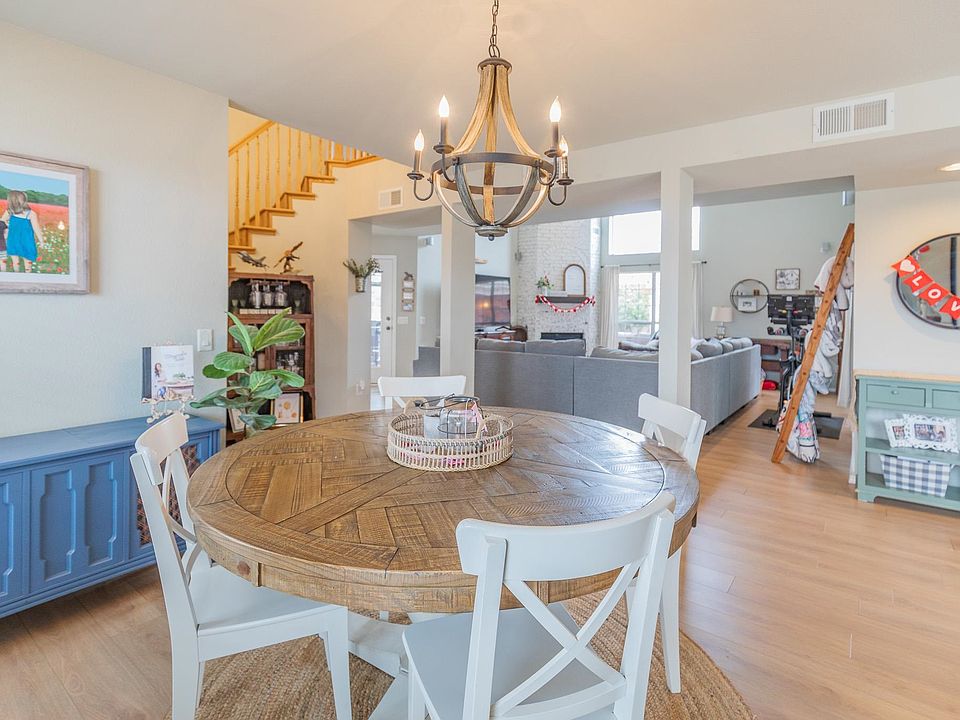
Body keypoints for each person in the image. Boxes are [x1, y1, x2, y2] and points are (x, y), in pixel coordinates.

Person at [0, 190, 43, 273]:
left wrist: (41, 240)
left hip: (26, 241)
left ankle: (27, 275)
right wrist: (7, 227)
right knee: (15, 262)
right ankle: (17, 275)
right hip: (13, 240)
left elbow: (36, 228)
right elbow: (2, 223)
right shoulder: (9, 212)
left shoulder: (31, 214)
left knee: (27, 262)